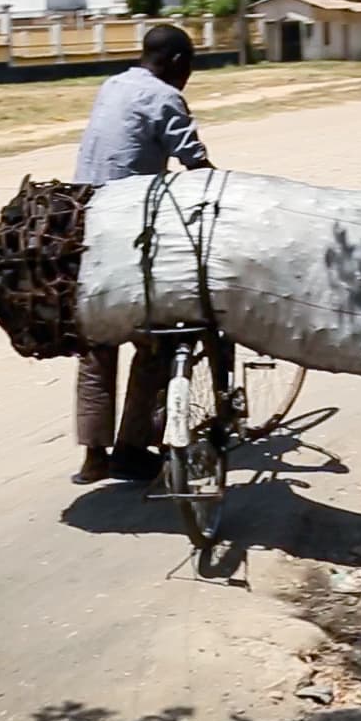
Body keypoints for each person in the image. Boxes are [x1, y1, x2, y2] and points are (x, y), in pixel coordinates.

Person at [69, 24, 215, 485]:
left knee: (97, 339)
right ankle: (132, 448)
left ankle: (94, 455)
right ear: (175, 62)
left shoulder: (112, 85)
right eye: (188, 66)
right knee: (160, 336)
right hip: (127, 230)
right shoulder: (165, 98)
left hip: (83, 224)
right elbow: (195, 164)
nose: (187, 76)